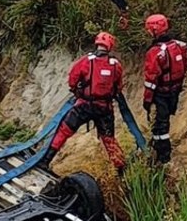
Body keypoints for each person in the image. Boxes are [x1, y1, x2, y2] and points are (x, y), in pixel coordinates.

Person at [38, 32, 127, 174]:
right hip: (104, 108)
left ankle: (45, 161)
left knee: (64, 130)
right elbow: (118, 86)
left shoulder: (86, 61)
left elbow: (73, 78)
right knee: (109, 139)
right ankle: (122, 171)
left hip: (84, 106)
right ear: (110, 46)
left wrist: (76, 91)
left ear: (97, 43)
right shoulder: (116, 65)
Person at [141, 13, 187, 165]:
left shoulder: (154, 52)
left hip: (161, 93)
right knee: (165, 121)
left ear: (154, 30)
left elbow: (151, 78)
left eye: (149, 30)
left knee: (159, 127)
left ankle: (162, 156)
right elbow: (185, 66)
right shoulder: (179, 45)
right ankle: (161, 151)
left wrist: (147, 100)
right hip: (175, 90)